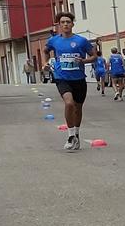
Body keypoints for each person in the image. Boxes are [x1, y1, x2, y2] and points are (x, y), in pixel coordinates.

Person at [42, 12, 97, 150]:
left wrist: (83, 60)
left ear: (72, 24)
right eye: (62, 22)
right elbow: (45, 51)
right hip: (62, 78)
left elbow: (94, 56)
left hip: (79, 79)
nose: (65, 24)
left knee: (78, 108)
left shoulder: (81, 41)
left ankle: (76, 134)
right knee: (69, 103)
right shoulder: (54, 40)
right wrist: (45, 63)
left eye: (68, 22)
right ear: (59, 25)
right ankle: (70, 135)